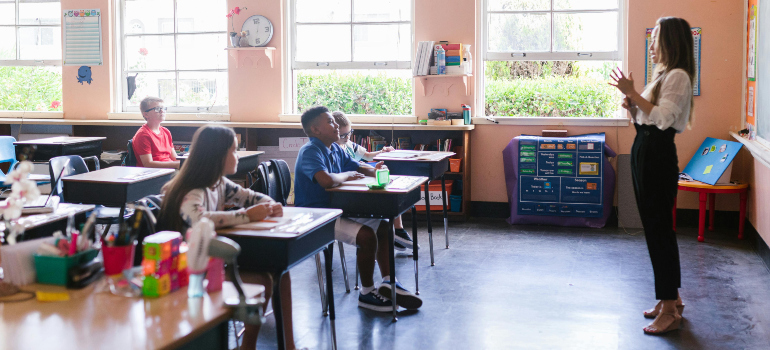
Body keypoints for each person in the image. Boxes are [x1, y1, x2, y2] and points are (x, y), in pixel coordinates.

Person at [159, 125, 295, 350]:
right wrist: (245, 216)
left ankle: (287, 346)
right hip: (189, 269)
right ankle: (248, 346)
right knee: (264, 281)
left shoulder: (218, 183)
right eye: (233, 150)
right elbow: (197, 218)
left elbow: (249, 197)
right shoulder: (192, 189)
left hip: (211, 259)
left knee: (281, 273)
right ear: (217, 156)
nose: (237, 155)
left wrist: (269, 205)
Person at [610, 16, 695, 335]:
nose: (652, 46)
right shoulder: (662, 75)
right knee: (654, 227)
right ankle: (669, 296)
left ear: (671, 42)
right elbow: (645, 119)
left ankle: (670, 308)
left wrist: (635, 93)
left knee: (659, 229)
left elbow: (662, 119)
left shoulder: (678, 77)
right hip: (645, 150)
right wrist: (632, 104)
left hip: (658, 154)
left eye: (656, 39)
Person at [295, 106, 422, 312]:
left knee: (382, 226)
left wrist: (375, 171)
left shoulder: (335, 148)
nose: (336, 125)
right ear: (315, 130)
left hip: (337, 209)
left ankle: (389, 282)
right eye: (330, 122)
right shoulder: (310, 151)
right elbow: (326, 180)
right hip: (317, 216)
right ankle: (367, 292)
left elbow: (356, 166)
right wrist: (346, 176)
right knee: (366, 236)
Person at [331, 111, 418, 252]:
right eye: (343, 135)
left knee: (389, 185)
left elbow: (367, 156)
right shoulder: (333, 150)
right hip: (350, 188)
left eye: (350, 132)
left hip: (360, 178)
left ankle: (397, 229)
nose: (347, 137)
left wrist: (382, 152)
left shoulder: (349, 145)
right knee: (385, 196)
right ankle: (393, 231)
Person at [132, 96, 180, 169]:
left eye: (163, 108)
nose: (162, 111)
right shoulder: (143, 134)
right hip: (154, 173)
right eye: (157, 109)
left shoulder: (166, 132)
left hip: (170, 169)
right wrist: (176, 165)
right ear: (146, 114)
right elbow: (148, 164)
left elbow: (175, 158)